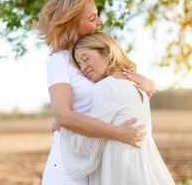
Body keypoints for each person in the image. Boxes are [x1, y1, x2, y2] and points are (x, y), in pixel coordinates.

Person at [33, 0, 156, 185]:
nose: (100, 22)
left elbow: (120, 98)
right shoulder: (60, 61)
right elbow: (63, 115)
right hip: (69, 168)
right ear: (72, 25)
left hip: (98, 166)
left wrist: (150, 86)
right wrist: (117, 133)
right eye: (92, 19)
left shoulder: (97, 57)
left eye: (97, 16)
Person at [59, 32, 175, 184]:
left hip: (121, 169)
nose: (83, 68)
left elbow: (87, 146)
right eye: (79, 65)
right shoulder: (138, 84)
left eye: (86, 59)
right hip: (145, 168)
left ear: (107, 51)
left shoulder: (106, 87)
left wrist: (64, 127)